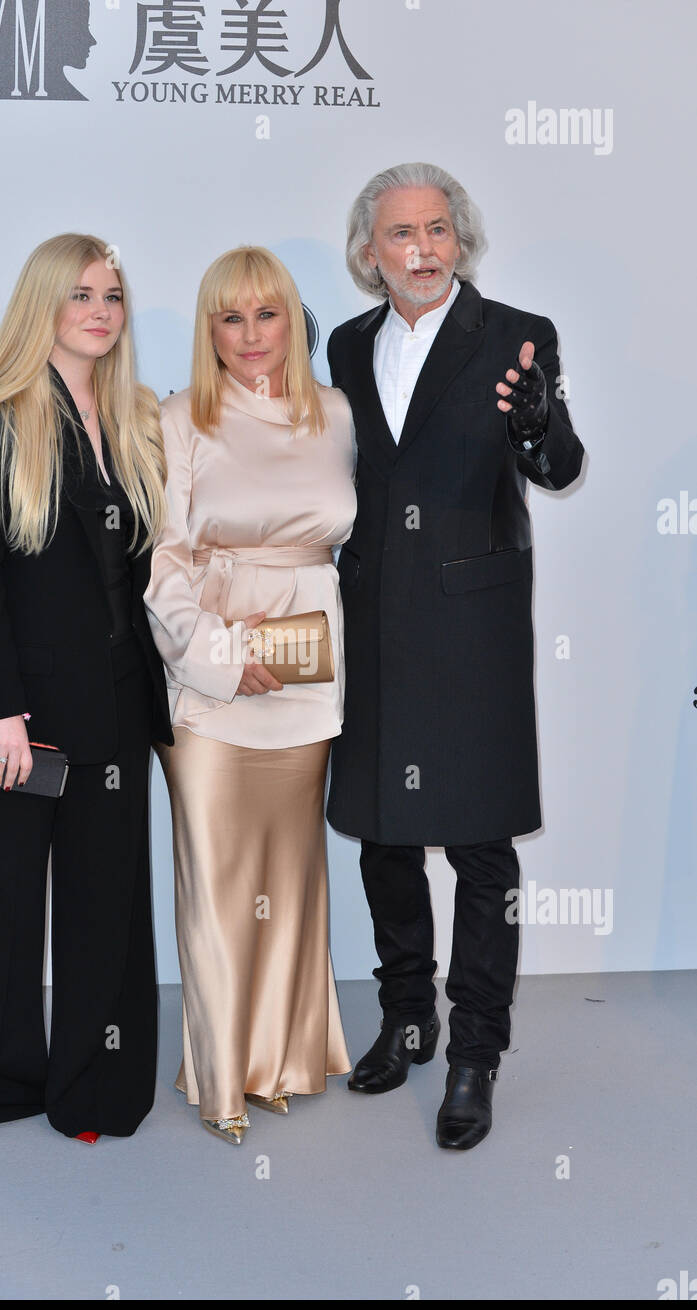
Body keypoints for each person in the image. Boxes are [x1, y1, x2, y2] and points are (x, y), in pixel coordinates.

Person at [326, 162, 585, 1150]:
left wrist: (537, 423)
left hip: (469, 630)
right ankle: (407, 1016)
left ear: (460, 239)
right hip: (373, 622)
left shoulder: (518, 336)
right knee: (384, 835)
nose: (423, 248)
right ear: (369, 252)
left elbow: (556, 467)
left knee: (479, 847)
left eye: (438, 229)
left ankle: (476, 1050)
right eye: (401, 234)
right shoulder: (346, 346)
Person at [0, 233, 172, 1156]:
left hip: (118, 704)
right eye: (80, 294)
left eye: (113, 294)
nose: (100, 310)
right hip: (17, 713)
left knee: (107, 903)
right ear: (42, 306)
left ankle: (91, 1089)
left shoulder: (137, 419)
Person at [143, 246, 356, 1144]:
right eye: (229, 319)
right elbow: (162, 561)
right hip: (212, 682)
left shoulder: (338, 414)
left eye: (266, 315)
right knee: (218, 884)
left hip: (308, 677)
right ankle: (224, 1075)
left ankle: (282, 1061)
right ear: (209, 332)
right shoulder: (179, 417)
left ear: (290, 321)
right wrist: (220, 657)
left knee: (290, 878)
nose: (250, 336)